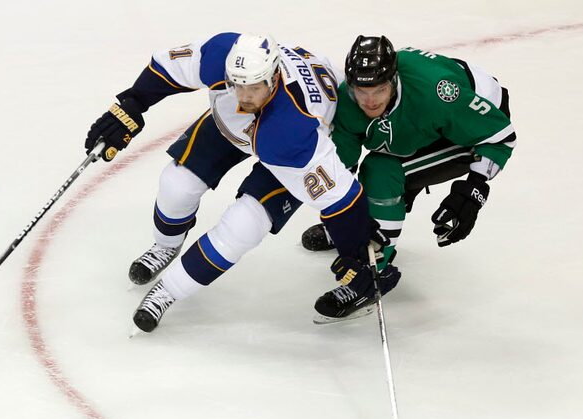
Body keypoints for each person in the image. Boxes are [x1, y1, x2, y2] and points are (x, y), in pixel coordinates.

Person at [83, 33, 389, 332]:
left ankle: (168, 291)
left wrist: (355, 252)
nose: (244, 97)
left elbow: (340, 199)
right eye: (237, 85)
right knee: (176, 184)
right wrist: (132, 104)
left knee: (245, 224)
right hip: (235, 126)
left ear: (273, 77)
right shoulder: (223, 55)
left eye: (254, 87)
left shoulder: (294, 132)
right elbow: (169, 68)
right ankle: (166, 246)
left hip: (282, 138)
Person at [301, 35, 516, 277]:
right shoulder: (349, 101)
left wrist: (473, 191)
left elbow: (500, 137)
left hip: (472, 127)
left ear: (393, 80)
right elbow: (343, 163)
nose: (370, 101)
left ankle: (373, 269)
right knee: (364, 177)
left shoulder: (437, 94)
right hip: (424, 122)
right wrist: (347, 219)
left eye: (380, 90)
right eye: (362, 91)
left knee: (381, 171)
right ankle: (357, 232)